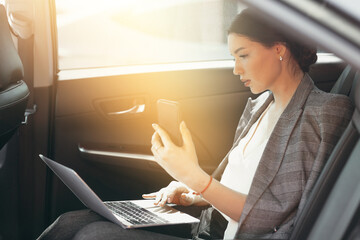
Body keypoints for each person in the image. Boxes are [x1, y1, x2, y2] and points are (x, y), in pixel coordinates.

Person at [37, 8, 353, 240]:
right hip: (210, 225)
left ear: (279, 49)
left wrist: (193, 175)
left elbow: (270, 216)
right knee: (69, 224)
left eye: (243, 55)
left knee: (93, 236)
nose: (235, 68)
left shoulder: (324, 112)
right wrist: (189, 192)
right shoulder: (260, 105)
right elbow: (242, 185)